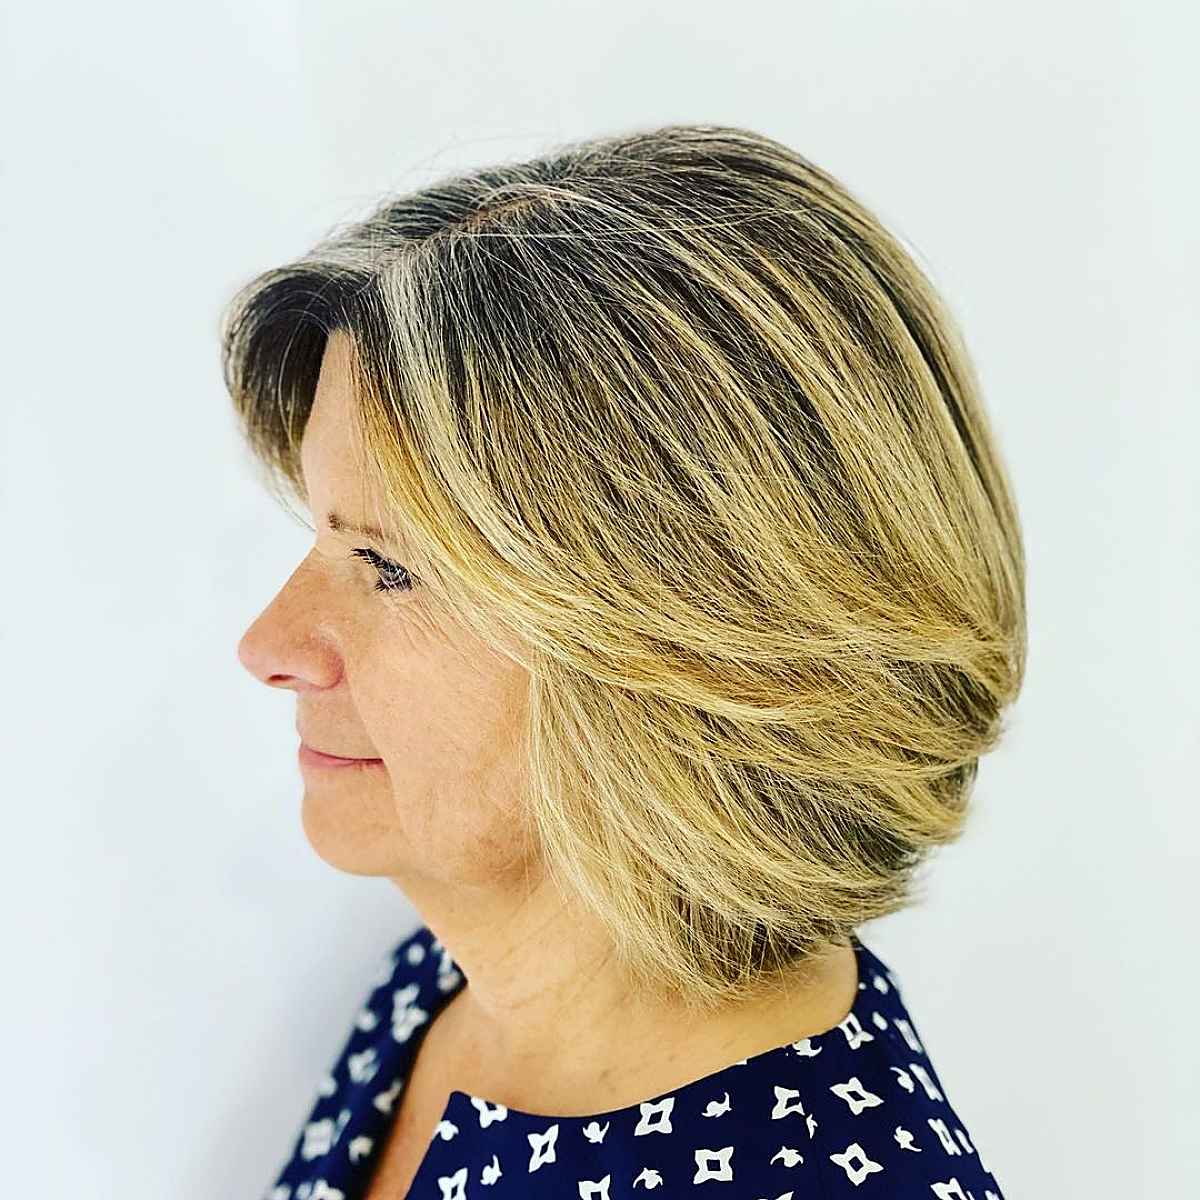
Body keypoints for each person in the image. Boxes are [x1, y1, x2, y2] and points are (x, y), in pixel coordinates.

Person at [229, 122, 1022, 1199]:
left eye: (392, 568)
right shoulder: (453, 974)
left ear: (700, 655)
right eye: (321, 538)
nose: (270, 645)